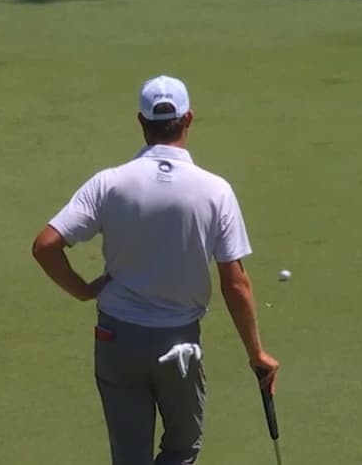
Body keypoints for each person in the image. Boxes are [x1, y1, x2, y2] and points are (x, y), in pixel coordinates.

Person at [32, 75, 278, 465]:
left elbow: (46, 246)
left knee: (129, 458)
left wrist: (82, 290)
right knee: (180, 452)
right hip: (178, 342)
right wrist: (256, 354)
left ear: (141, 122)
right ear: (188, 119)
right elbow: (236, 283)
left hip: (115, 337)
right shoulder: (215, 191)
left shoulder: (109, 183)